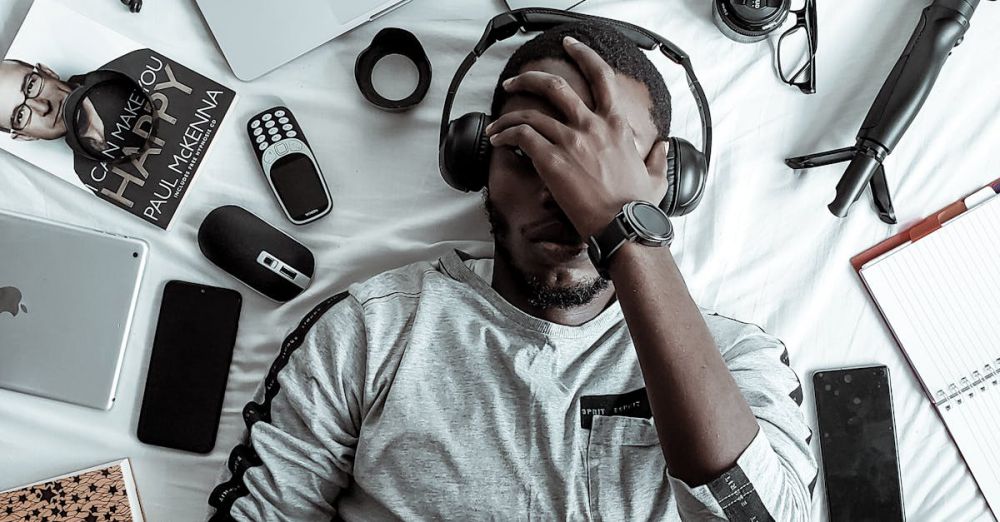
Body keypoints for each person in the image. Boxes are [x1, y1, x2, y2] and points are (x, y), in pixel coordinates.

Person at [210, 21, 816, 521]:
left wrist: (624, 229)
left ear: (668, 178)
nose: (565, 193)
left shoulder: (738, 361)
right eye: (530, 154)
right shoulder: (366, 333)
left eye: (606, 160)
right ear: (477, 161)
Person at [0, 59, 107, 153]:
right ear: (25, 136)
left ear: (47, 72)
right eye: (20, 116)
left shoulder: (114, 74)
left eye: (30, 86)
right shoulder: (83, 172)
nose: (44, 107)